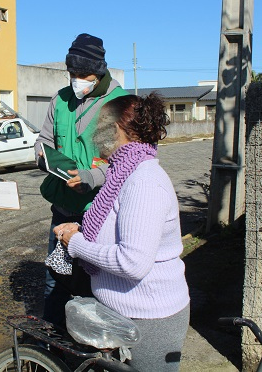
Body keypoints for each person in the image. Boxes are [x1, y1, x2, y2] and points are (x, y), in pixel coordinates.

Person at [54, 93, 190, 371]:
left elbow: (133, 261)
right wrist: (81, 229)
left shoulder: (143, 182)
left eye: (100, 126)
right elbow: (120, 225)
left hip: (150, 319)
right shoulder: (122, 171)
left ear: (116, 129)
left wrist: (76, 243)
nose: (94, 134)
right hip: (126, 313)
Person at [34, 33, 128, 325]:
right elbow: (44, 139)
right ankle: (53, 349)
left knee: (95, 288)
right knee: (56, 281)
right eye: (72, 74)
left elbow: (125, 160)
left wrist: (91, 176)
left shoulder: (120, 103)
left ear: (99, 71)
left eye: (83, 74)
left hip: (98, 216)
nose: (76, 80)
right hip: (62, 211)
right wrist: (43, 157)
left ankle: (93, 352)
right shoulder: (60, 99)